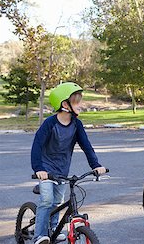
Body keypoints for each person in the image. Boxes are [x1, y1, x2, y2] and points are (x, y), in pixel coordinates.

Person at [31, 82, 106, 244]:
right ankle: (39, 236)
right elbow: (36, 146)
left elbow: (86, 146)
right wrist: (38, 168)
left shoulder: (76, 124)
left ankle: (52, 230)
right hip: (46, 169)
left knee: (57, 201)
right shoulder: (50, 124)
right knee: (46, 200)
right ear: (65, 104)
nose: (81, 105)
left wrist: (95, 165)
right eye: (76, 101)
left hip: (62, 170)